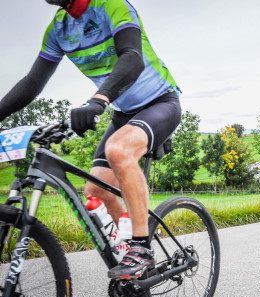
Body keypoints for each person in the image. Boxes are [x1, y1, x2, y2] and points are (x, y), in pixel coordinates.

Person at [0, 0, 182, 280]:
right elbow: (31, 84)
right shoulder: (58, 28)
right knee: (97, 190)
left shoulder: (111, 5)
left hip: (160, 102)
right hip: (123, 112)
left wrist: (98, 100)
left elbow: (132, 57)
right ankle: (126, 245)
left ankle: (141, 248)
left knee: (118, 150)